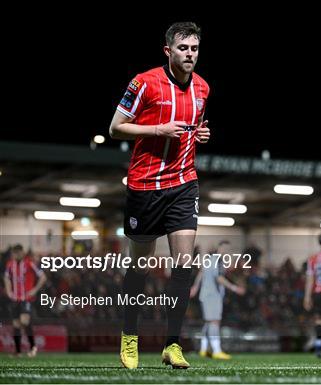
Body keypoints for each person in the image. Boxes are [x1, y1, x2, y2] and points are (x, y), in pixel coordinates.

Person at [109, 21, 211, 369]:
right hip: (144, 187)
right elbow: (115, 127)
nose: (190, 55)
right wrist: (158, 129)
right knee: (141, 267)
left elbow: (191, 128)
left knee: (183, 265)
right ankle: (130, 336)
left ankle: (172, 344)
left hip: (184, 184)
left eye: (194, 49)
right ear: (168, 51)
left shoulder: (203, 89)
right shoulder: (144, 82)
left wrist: (199, 134)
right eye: (183, 48)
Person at [190, 241, 246, 359]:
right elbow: (219, 278)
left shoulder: (210, 259)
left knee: (208, 322)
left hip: (205, 295)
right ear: (220, 248)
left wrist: (195, 287)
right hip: (212, 295)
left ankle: (204, 349)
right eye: (226, 249)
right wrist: (234, 288)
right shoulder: (219, 261)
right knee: (215, 322)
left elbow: (201, 273)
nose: (227, 251)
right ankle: (216, 350)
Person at [3, 244, 47, 357]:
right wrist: (8, 291)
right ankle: (18, 352)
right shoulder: (10, 265)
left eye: (18, 253)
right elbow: (6, 278)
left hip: (26, 298)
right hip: (14, 298)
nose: (16, 255)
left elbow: (43, 277)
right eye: (15, 253)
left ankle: (33, 348)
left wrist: (34, 290)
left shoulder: (29, 263)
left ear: (22, 253)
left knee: (25, 321)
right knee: (16, 325)